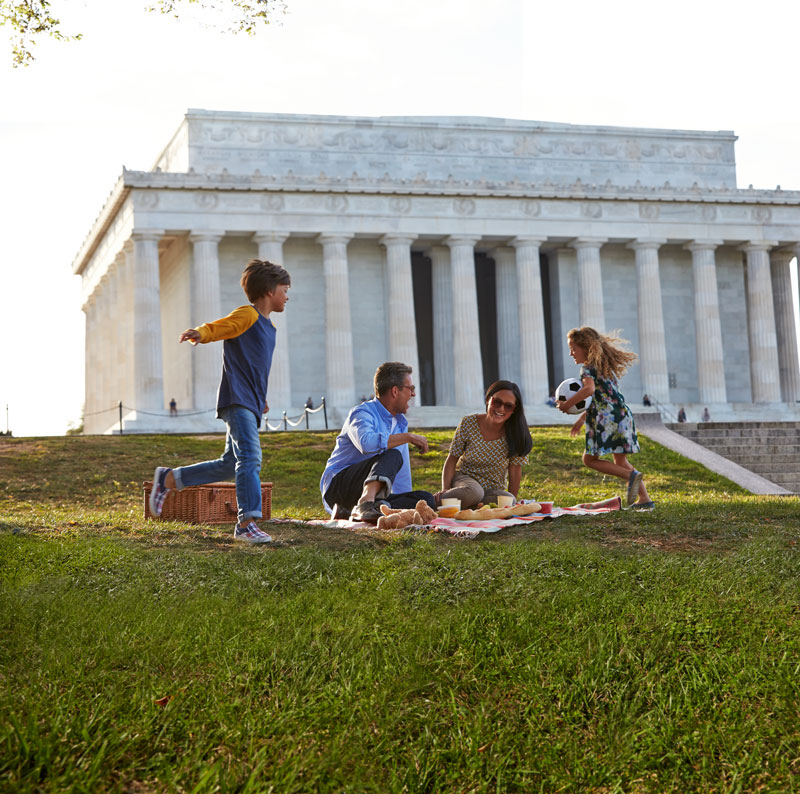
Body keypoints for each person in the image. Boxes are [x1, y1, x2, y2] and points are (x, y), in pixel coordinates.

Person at [148, 259, 291, 544]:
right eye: (285, 289)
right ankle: (246, 522)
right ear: (269, 290)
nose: (288, 296)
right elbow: (224, 326)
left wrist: (261, 398)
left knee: (230, 464)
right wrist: (201, 333)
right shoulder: (248, 315)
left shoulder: (269, 327)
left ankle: (169, 479)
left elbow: (256, 367)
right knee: (251, 457)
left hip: (249, 401)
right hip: (236, 399)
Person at [320, 362, 435, 523]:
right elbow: (367, 444)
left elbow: (402, 478)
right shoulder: (362, 413)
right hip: (339, 487)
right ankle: (364, 504)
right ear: (395, 391)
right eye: (411, 388)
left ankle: (361, 510)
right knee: (392, 454)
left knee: (426, 499)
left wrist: (407, 507)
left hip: (373, 492)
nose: (413, 394)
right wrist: (408, 437)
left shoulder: (400, 423)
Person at [558, 326, 654, 510]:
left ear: (585, 347)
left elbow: (589, 391)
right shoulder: (604, 368)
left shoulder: (587, 369)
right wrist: (579, 421)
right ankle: (644, 499)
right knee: (621, 462)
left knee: (589, 460)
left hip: (606, 421)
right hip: (622, 416)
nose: (571, 353)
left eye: (573, 348)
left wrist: (567, 403)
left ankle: (631, 477)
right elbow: (602, 399)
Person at [437, 380, 532, 509]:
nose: (501, 409)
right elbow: (452, 459)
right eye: (497, 402)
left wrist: (511, 503)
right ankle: (433, 502)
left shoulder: (517, 434)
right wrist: (445, 490)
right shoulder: (468, 423)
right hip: (465, 482)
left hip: (492, 489)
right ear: (488, 399)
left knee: (508, 499)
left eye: (508, 406)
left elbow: (515, 470)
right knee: (474, 492)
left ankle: (469, 506)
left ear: (514, 410)